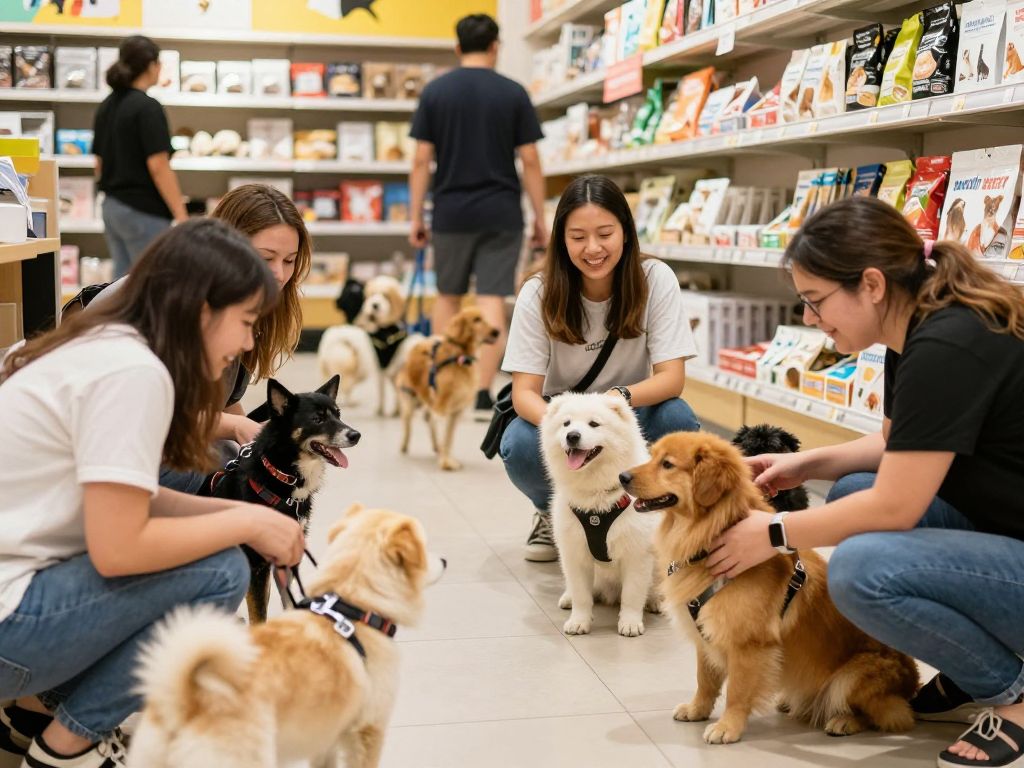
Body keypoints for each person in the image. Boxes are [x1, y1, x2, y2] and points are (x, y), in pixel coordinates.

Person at [706, 196, 1024, 768]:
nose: (809, 319)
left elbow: (898, 506)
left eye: (815, 301)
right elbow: (894, 444)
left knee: (861, 571)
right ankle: (979, 666)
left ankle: (1013, 692)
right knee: (852, 490)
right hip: (1003, 530)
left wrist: (775, 531)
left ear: (871, 284)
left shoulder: (949, 343)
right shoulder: (915, 325)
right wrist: (805, 465)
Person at [0, 219, 305, 768]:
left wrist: (245, 514)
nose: (248, 343)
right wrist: (247, 525)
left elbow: (138, 497)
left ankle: (43, 716)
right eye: (247, 322)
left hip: (19, 592)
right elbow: (119, 548)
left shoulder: (110, 347)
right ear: (202, 310)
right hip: (10, 624)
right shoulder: (134, 374)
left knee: (215, 546)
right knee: (221, 572)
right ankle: (67, 748)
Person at [500, 175, 701, 562]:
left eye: (605, 233)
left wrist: (617, 400)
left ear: (625, 231)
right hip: (562, 413)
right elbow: (523, 393)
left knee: (679, 420)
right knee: (521, 445)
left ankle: (654, 513)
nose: (593, 248)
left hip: (631, 410)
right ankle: (553, 510)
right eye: (578, 237)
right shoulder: (539, 292)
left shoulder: (654, 279)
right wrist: (567, 425)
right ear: (561, 239)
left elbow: (672, 378)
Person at [83, 184, 312, 495]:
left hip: (133, 444)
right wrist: (234, 430)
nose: (280, 274)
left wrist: (262, 441)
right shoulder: (174, 303)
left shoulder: (225, 292)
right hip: (105, 453)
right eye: (266, 258)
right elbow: (156, 415)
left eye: (290, 261)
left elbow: (223, 399)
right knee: (220, 467)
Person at [408, 13, 549, 419]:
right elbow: (531, 160)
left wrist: (416, 216)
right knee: (491, 301)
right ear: (495, 47)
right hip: (502, 213)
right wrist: (540, 217)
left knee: (447, 297)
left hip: (450, 212)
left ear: (457, 47)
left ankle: (438, 381)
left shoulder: (435, 92)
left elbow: (421, 160)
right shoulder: (513, 93)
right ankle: (483, 393)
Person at [94, 35, 187, 279]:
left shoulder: (107, 105)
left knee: (122, 283)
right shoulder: (148, 107)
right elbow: (159, 166)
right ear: (150, 65)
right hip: (143, 211)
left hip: (112, 206)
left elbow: (99, 164)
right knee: (154, 282)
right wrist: (181, 214)